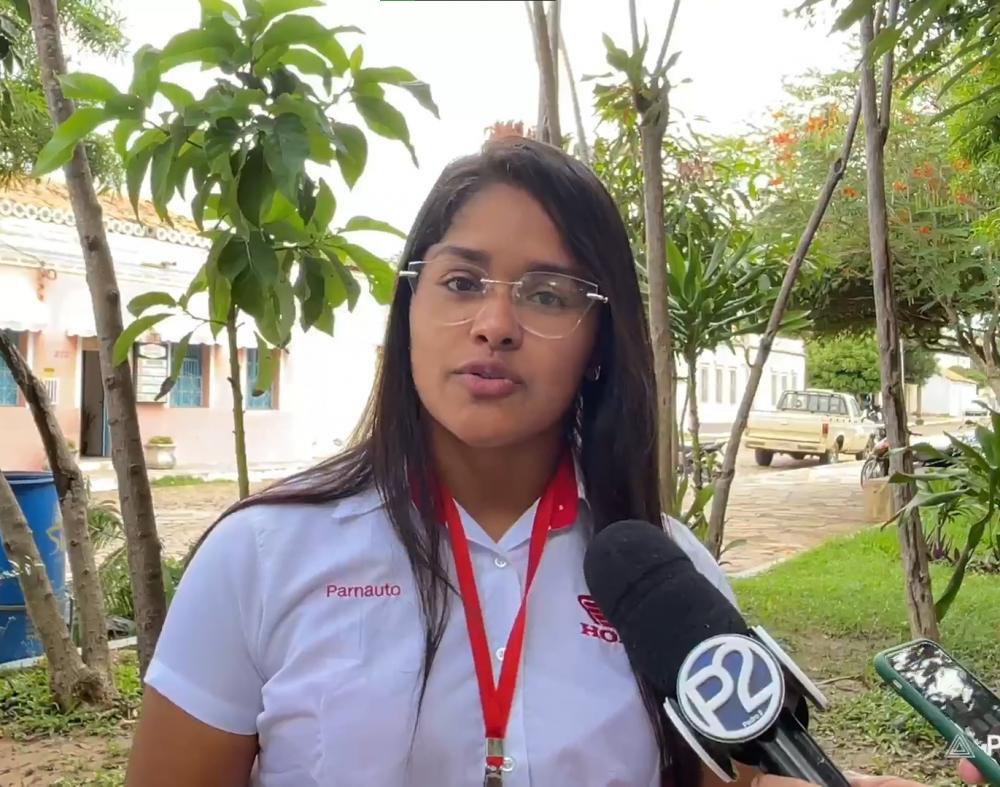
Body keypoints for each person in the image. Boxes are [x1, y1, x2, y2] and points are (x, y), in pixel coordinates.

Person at [125, 137, 984, 787]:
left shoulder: (664, 574)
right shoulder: (264, 556)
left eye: (546, 294)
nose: (495, 323)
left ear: (599, 344)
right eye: (462, 282)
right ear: (409, 308)